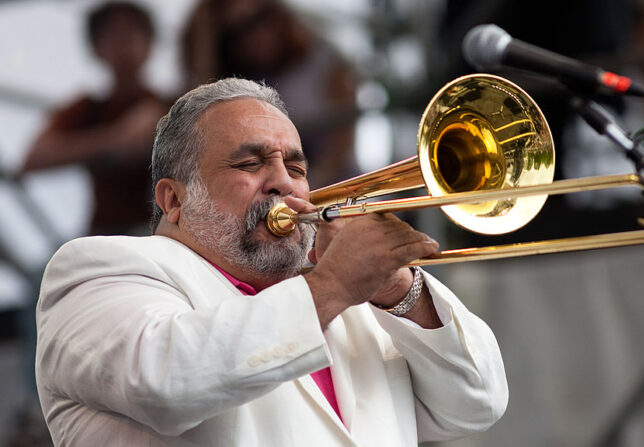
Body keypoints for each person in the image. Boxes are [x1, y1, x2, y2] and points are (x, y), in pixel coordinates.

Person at [34, 78, 508, 446]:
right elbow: (164, 381)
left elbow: (477, 403)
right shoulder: (97, 268)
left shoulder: (353, 305)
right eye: (250, 164)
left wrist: (402, 294)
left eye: (297, 167)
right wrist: (336, 283)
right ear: (174, 199)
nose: (284, 182)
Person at [19, 1, 167, 235]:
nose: (124, 46)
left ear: (149, 44)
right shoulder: (88, 109)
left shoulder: (172, 104)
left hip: (163, 233)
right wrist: (115, 141)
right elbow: (32, 159)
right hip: (107, 232)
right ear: (97, 49)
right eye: (113, 37)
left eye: (132, 34)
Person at [181, 0, 358, 188]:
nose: (254, 36)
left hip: (336, 185)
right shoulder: (240, 82)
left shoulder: (323, 58)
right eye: (236, 33)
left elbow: (343, 138)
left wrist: (311, 185)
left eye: (261, 18)